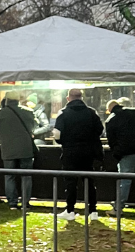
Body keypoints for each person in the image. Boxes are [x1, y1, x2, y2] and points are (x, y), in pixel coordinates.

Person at [54, 89, 104, 221]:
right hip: (89, 152)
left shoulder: (63, 113)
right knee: (89, 181)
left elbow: (57, 134)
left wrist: (64, 141)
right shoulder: (91, 112)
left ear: (68, 98)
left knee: (70, 182)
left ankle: (70, 210)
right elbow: (100, 130)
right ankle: (93, 211)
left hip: (70, 152)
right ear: (82, 97)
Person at [0, 91, 37, 210]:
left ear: (6, 100)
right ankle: (25, 203)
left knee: (9, 176)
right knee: (26, 176)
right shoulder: (28, 111)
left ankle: (12, 203)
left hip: (8, 148)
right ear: (19, 99)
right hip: (25, 148)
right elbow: (34, 126)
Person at [105, 99, 135, 215]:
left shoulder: (111, 120)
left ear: (109, 109)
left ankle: (118, 208)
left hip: (126, 152)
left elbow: (112, 141)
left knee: (124, 180)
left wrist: (117, 153)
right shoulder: (132, 112)